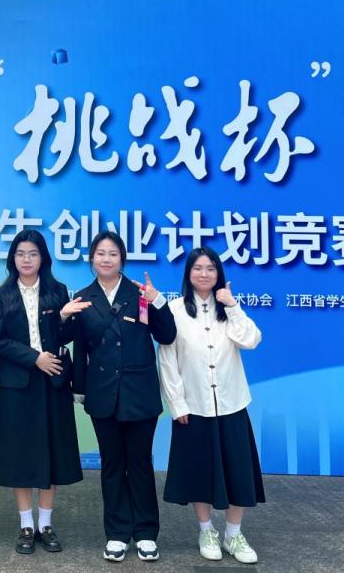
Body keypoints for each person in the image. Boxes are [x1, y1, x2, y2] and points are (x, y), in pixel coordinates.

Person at [69, 231, 176, 562]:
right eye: (100, 253)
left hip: (139, 393)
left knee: (140, 464)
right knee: (112, 465)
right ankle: (117, 533)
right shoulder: (83, 297)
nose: (106, 259)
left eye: (113, 253)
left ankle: (145, 532)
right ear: (92, 258)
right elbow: (79, 348)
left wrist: (158, 301)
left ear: (122, 259)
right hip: (103, 395)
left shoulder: (139, 294)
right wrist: (80, 389)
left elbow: (167, 335)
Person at [158, 246, 265, 565]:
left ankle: (234, 534)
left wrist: (232, 306)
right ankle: (206, 531)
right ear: (188, 273)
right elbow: (167, 359)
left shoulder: (229, 307)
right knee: (200, 472)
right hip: (194, 407)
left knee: (238, 473)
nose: (204, 274)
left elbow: (251, 340)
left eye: (210, 268)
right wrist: (177, 404)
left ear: (218, 274)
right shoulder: (175, 310)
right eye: (198, 268)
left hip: (232, 404)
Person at [0, 229, 91, 554]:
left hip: (52, 381)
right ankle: (26, 525)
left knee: (52, 453)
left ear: (43, 258)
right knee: (19, 455)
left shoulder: (57, 291)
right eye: (21, 254)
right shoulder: (2, 294)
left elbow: (66, 335)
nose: (27, 259)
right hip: (18, 382)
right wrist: (35, 358)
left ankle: (45, 524)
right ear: (13, 258)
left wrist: (62, 317)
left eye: (33, 254)